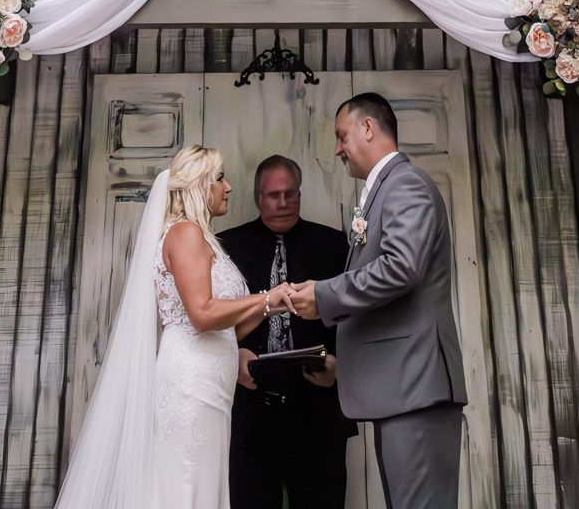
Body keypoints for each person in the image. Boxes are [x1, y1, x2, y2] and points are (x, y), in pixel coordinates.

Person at [54, 143, 294, 509]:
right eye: (219, 178)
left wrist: (274, 306)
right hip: (191, 382)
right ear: (199, 186)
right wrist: (265, 297)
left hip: (212, 381)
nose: (228, 187)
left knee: (200, 481)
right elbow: (202, 313)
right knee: (185, 483)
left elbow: (226, 329)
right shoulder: (184, 234)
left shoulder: (203, 236)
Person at [285, 94, 467, 509]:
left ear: (367, 128)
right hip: (404, 388)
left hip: (417, 387)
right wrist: (342, 368)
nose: (337, 149)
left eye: (340, 135)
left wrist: (324, 295)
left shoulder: (405, 184)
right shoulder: (386, 189)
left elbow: (401, 267)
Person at [220, 154, 356, 509]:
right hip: (248, 411)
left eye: (289, 193)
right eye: (272, 195)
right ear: (256, 198)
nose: (282, 202)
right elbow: (207, 318)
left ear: (300, 194)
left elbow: (356, 317)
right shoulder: (225, 247)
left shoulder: (333, 244)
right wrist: (229, 357)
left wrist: (340, 368)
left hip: (317, 411)